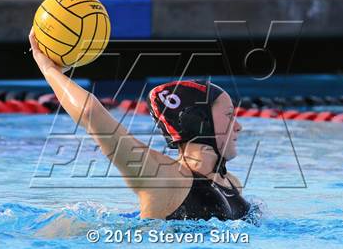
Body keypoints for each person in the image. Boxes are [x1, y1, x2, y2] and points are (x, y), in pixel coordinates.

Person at [29, 29, 250, 221]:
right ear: (199, 122)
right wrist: (49, 70)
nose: (238, 126)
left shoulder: (232, 183)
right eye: (229, 115)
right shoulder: (163, 177)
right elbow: (90, 112)